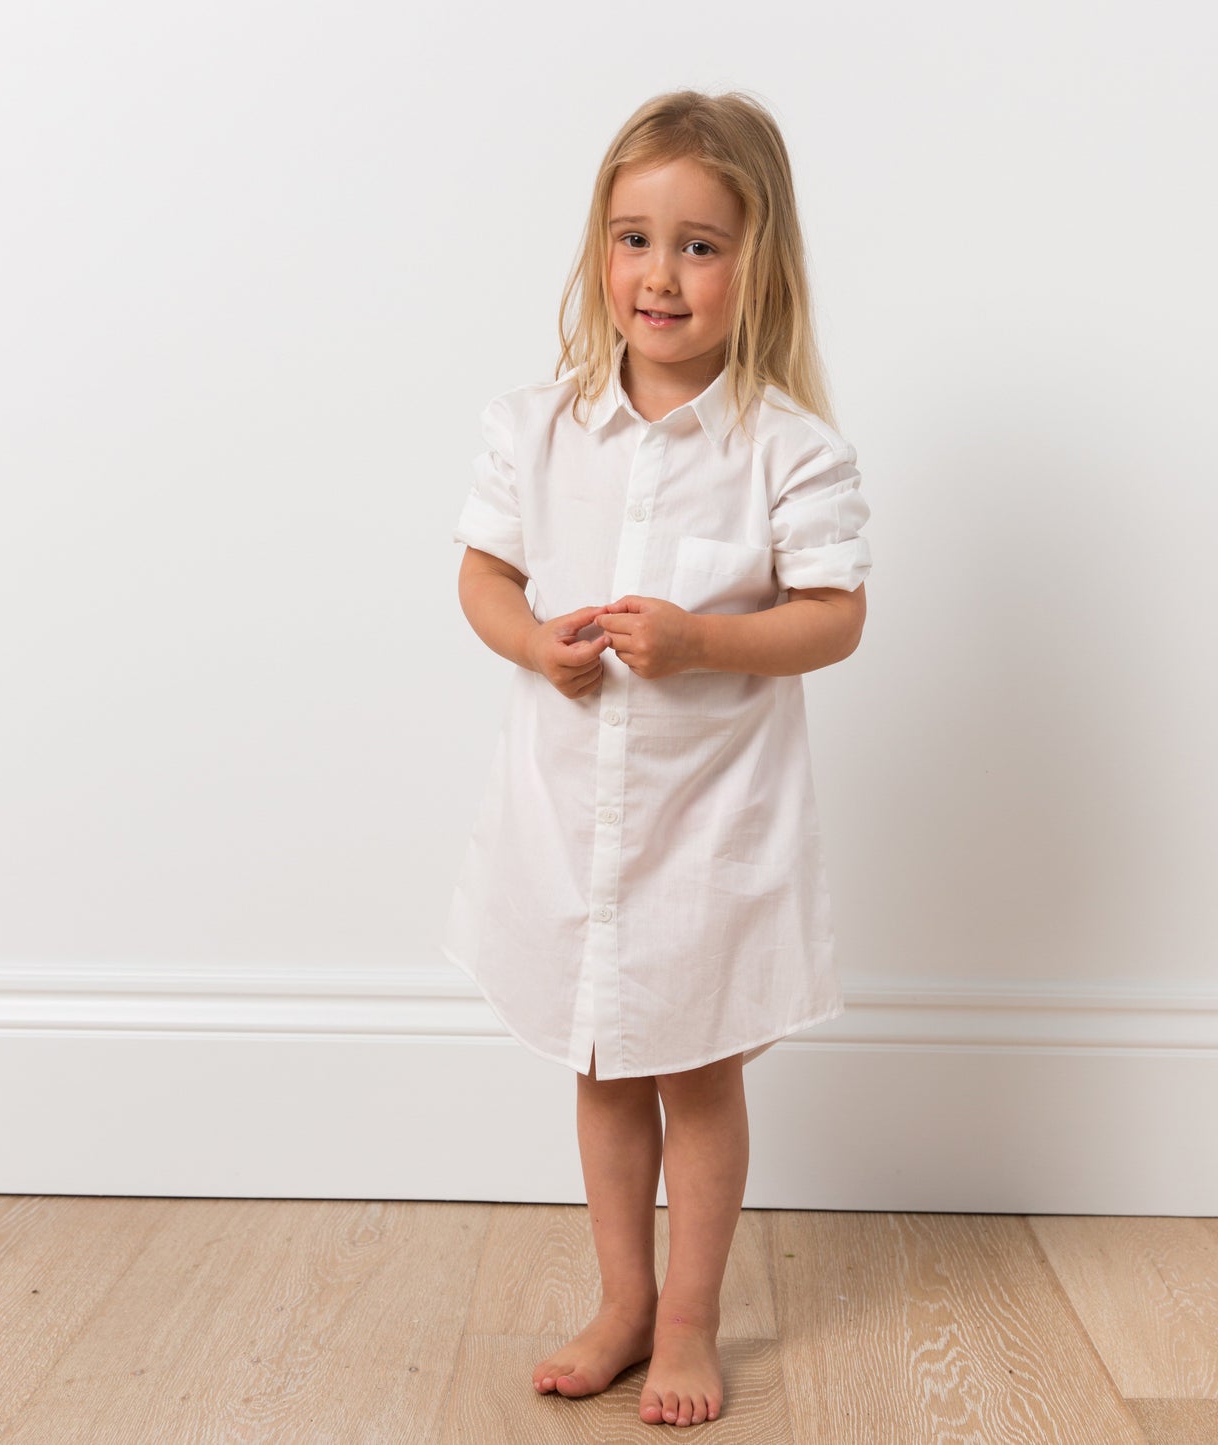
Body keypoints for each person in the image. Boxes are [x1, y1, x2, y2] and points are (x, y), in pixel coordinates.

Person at [443, 88, 872, 1429]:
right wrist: (531, 638)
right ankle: (621, 1298)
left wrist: (700, 642)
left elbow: (834, 615)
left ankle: (689, 1315)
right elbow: (480, 571)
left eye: (699, 244)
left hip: (707, 824)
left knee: (697, 1068)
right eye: (634, 239)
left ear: (760, 266)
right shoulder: (539, 424)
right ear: (597, 254)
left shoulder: (785, 451)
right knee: (600, 1061)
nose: (661, 274)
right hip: (571, 820)